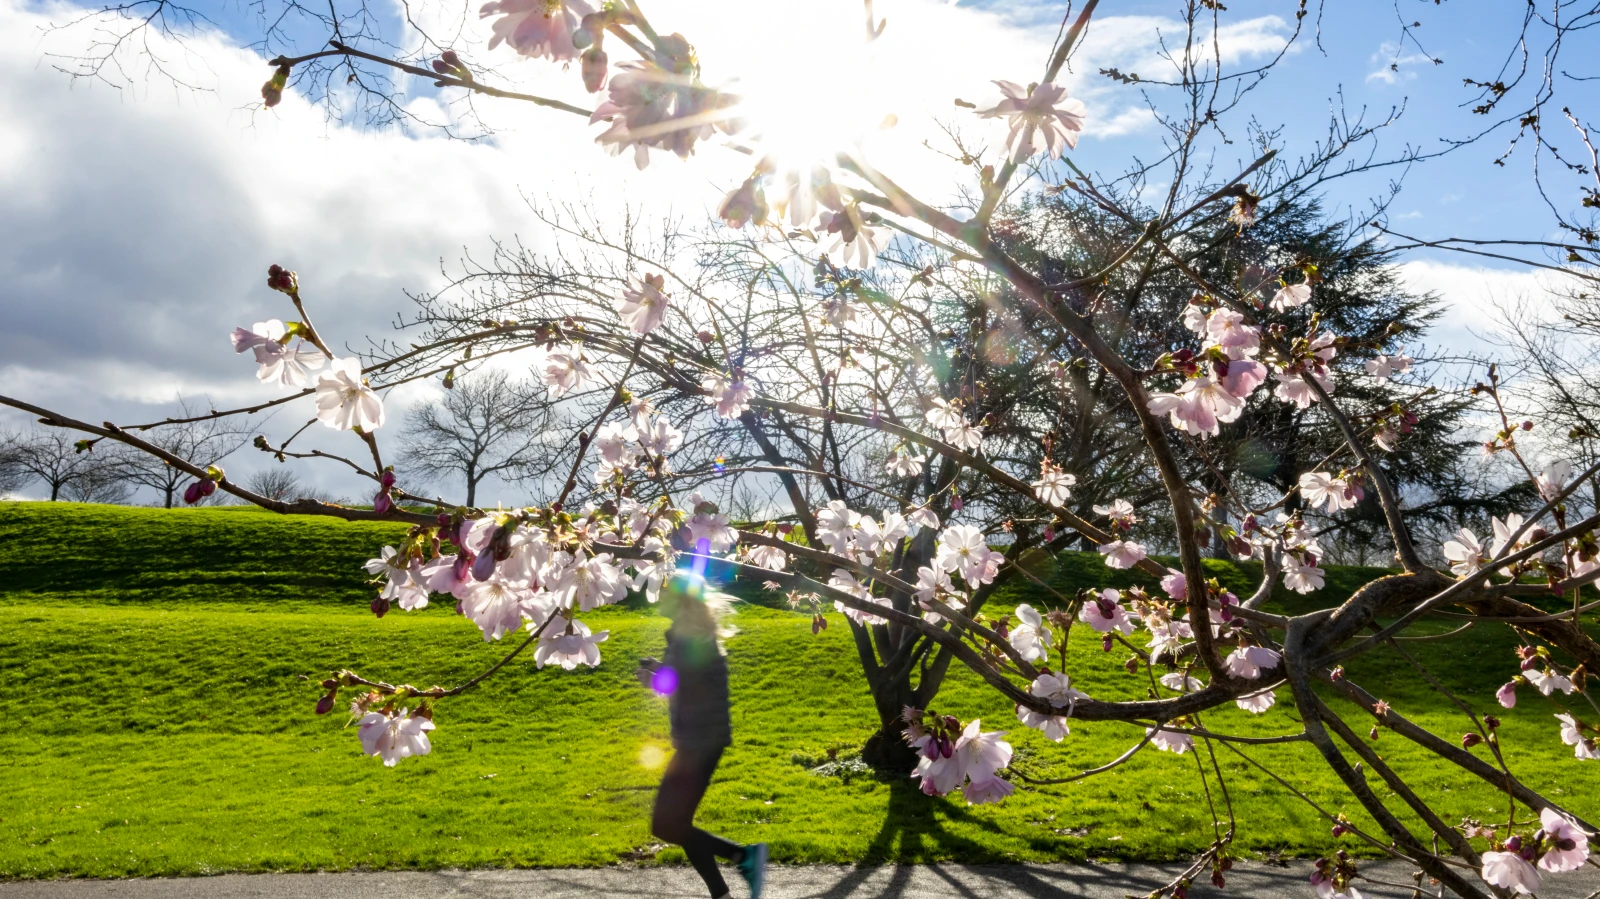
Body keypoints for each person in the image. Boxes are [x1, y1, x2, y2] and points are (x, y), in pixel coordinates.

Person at [637, 576, 767, 899]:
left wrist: (651, 680)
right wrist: (658, 668)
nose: (660, 598)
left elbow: (682, 683)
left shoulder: (686, 638)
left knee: (666, 826)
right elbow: (688, 675)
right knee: (679, 824)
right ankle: (721, 894)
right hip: (703, 740)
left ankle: (744, 856)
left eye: (666, 593)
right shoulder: (695, 635)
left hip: (698, 742)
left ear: (681, 602)